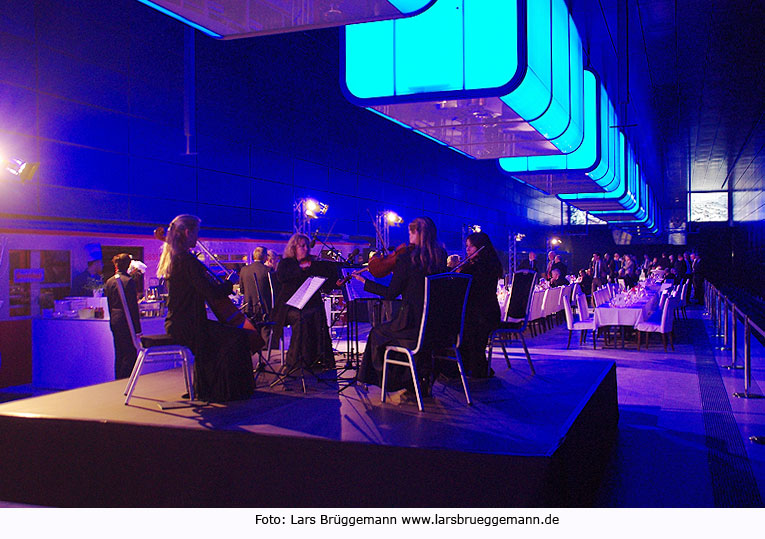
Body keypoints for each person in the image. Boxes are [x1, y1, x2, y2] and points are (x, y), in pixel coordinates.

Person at [158, 214, 255, 402]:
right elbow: (210, 292)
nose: (197, 237)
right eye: (196, 233)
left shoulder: (175, 258)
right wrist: (229, 284)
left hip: (180, 322)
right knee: (238, 336)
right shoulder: (186, 261)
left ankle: (209, 388)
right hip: (188, 325)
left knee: (224, 336)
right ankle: (220, 390)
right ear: (188, 232)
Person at [353, 216, 447, 398]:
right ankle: (417, 380)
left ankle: (386, 381)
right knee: (391, 331)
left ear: (418, 233)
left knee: (377, 332)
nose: (409, 238)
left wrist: (365, 282)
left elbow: (390, 294)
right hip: (436, 328)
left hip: (412, 327)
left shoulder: (406, 259)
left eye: (411, 233)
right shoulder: (440, 257)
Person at [271, 233, 336, 376]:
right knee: (302, 317)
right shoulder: (285, 263)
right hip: (288, 308)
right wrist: (301, 268)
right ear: (293, 248)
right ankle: (296, 361)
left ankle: (319, 358)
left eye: (307, 246)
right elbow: (283, 277)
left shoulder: (311, 264)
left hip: (308, 305)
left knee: (318, 312)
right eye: (302, 246)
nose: (306, 249)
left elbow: (323, 280)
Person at [455, 231, 502, 378]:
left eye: (471, 247)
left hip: (483, 315)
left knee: (461, 326)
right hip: (487, 312)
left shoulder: (480, 267)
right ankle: (471, 364)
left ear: (481, 247)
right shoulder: (489, 265)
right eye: (467, 246)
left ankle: (469, 365)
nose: (467, 250)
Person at [104, 253, 142, 379]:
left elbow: (109, 304)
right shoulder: (129, 281)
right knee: (130, 352)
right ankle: (126, 380)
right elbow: (132, 307)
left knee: (119, 351)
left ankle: (118, 379)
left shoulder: (109, 281)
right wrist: (138, 329)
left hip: (115, 319)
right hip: (126, 320)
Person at [240, 246, 273, 322]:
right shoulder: (268, 270)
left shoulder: (244, 270)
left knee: (251, 332)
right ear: (265, 257)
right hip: (265, 309)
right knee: (265, 331)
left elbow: (242, 290)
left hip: (249, 308)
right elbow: (272, 291)